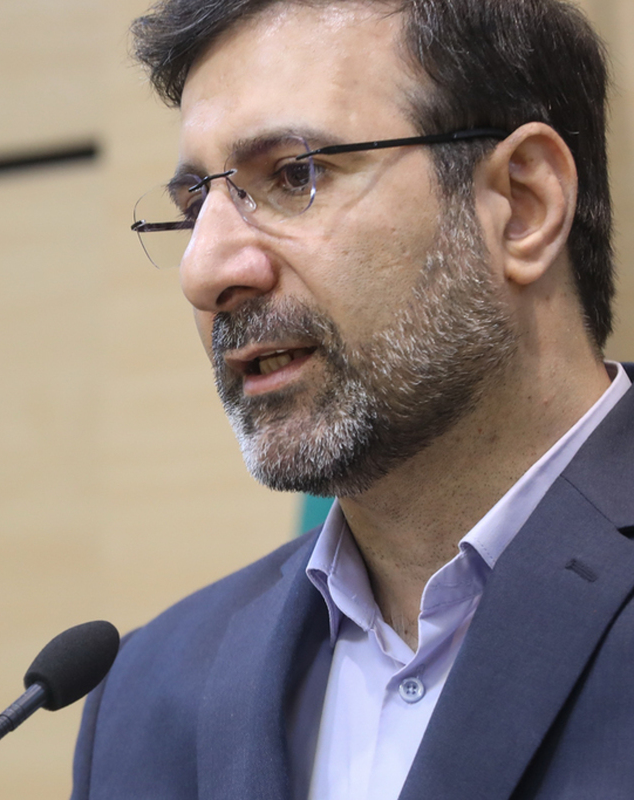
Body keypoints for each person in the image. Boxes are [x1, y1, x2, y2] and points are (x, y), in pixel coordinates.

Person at [71, 1, 634, 798]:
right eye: (196, 207)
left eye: (295, 175)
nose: (205, 270)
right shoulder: (147, 703)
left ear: (521, 204)